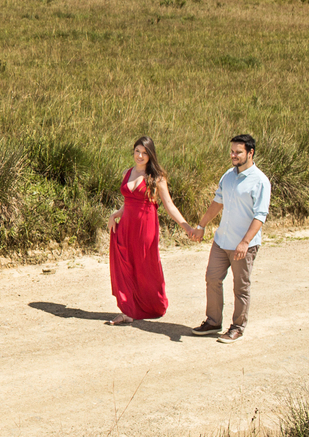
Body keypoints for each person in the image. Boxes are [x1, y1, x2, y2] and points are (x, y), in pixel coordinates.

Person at [189, 134, 271, 344]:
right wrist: (201, 225)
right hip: (221, 240)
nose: (233, 155)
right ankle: (214, 321)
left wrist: (245, 242)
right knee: (212, 279)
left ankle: (237, 327)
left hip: (243, 245)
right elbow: (217, 202)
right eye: (232, 152)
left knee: (240, 287)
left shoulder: (260, 181)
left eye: (238, 152)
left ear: (250, 153)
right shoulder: (228, 176)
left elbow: (260, 216)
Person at [105, 136, 194, 326]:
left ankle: (153, 305)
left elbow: (169, 205)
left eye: (144, 153)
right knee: (125, 265)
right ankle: (128, 310)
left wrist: (186, 226)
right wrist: (115, 215)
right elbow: (127, 203)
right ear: (133, 151)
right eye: (137, 151)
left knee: (145, 266)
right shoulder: (126, 173)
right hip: (126, 225)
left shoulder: (157, 178)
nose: (140, 155)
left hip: (145, 227)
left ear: (150, 155)